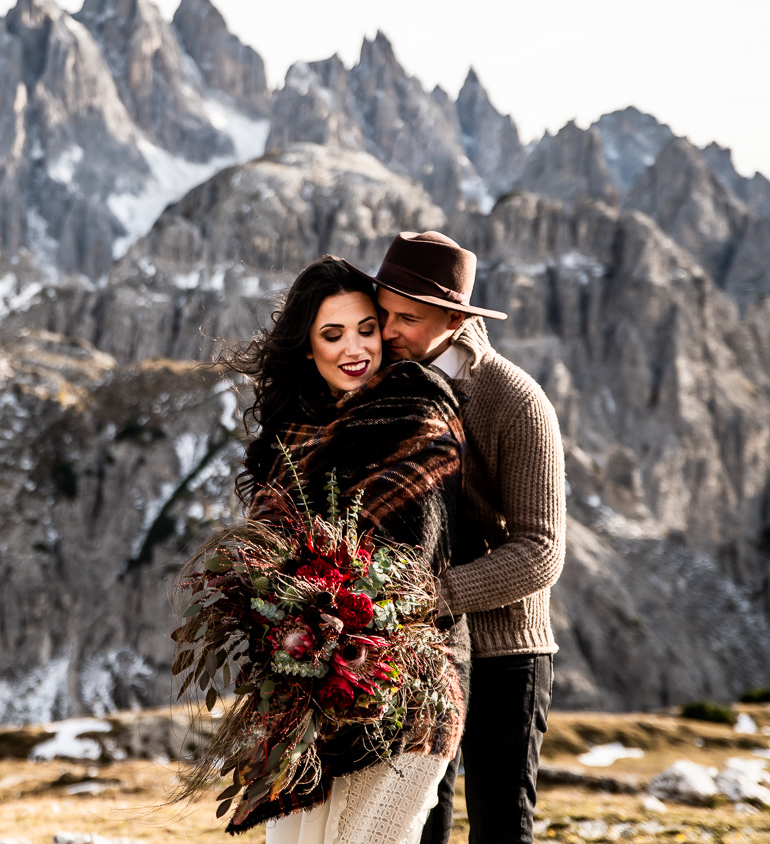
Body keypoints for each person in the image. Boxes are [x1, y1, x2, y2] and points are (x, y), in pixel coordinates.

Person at [220, 255, 468, 844]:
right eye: (332, 335)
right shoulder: (294, 435)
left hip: (405, 687)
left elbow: (415, 561)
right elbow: (266, 560)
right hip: (305, 695)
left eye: (366, 328)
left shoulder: (419, 413)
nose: (356, 347)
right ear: (307, 348)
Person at [368, 232, 566, 844]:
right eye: (383, 315)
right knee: (418, 826)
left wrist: (429, 594)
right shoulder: (386, 385)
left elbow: (541, 552)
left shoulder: (516, 401)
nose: (389, 330)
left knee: (501, 828)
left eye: (408, 317)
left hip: (505, 651)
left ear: (455, 318)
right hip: (418, 651)